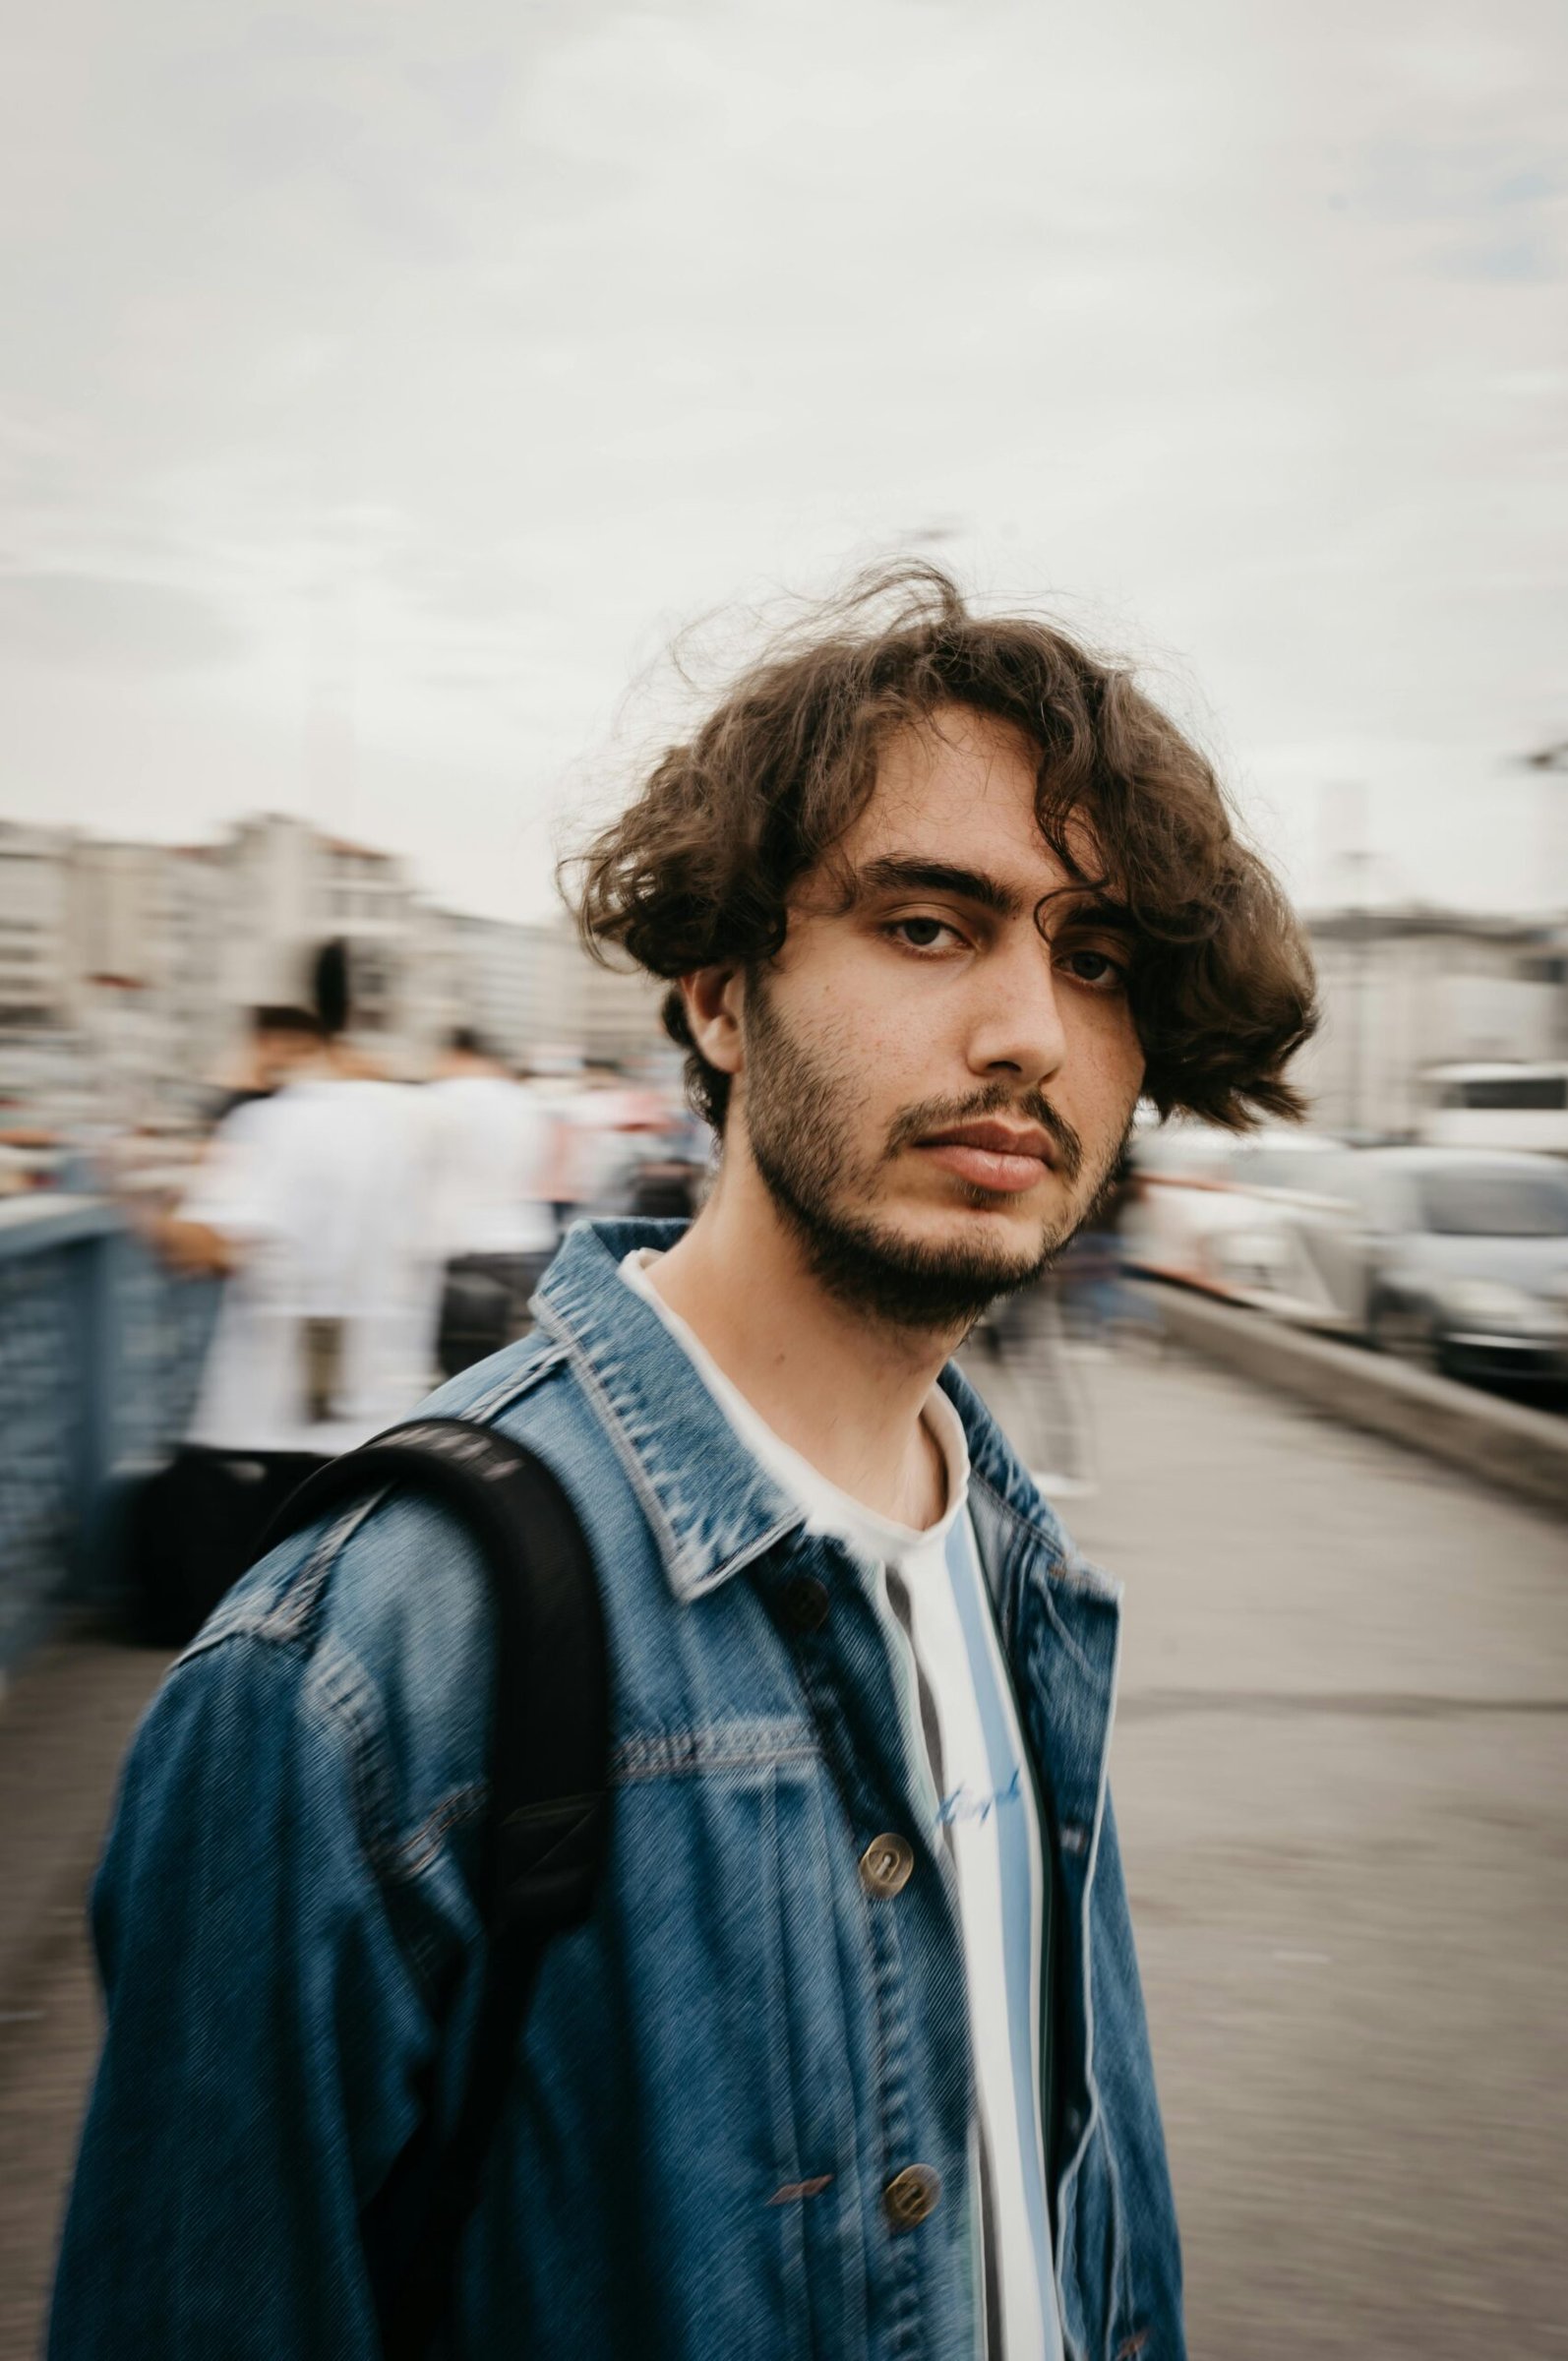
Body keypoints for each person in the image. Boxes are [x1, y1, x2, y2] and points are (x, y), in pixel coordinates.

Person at [51, 567, 1315, 2359]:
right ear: (721, 996)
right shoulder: (354, 1675)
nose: (1031, 1031)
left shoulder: (1023, 1584)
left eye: (1096, 960)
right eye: (934, 926)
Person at [130, 941, 447, 1637]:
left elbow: (202, 1248)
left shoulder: (279, 1122)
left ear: (299, 1025)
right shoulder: (421, 1120)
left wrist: (141, 1192)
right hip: (380, 1415)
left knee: (255, 1633)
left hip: (268, 1424)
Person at [427, 1026, 557, 1376]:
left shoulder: (438, 1098)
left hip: (459, 1242)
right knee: (502, 1368)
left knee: (455, 1370)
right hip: (523, 1238)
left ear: (456, 1055)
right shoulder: (526, 1100)